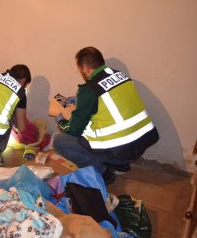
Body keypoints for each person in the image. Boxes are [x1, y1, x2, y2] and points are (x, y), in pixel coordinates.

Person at [51, 47, 159, 184]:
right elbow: (110, 103)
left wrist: (60, 120)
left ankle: (104, 172)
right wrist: (80, 100)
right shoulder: (120, 76)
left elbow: (74, 130)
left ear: (86, 68)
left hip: (120, 150)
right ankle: (119, 164)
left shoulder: (89, 89)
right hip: (140, 144)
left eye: (80, 70)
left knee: (60, 141)